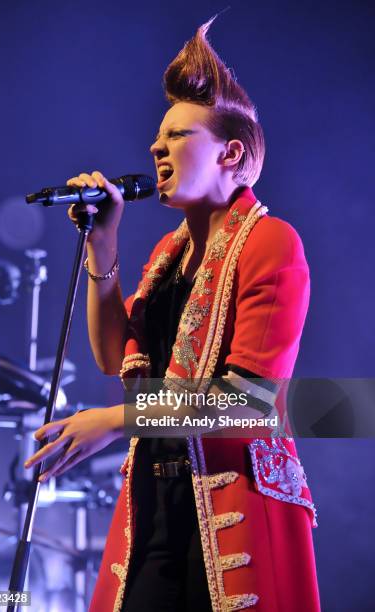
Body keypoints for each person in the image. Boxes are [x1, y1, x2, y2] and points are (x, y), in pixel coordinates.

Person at [24, 17, 321, 612]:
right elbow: (114, 356)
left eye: (179, 136)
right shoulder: (168, 255)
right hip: (156, 505)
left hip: (235, 507)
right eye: (158, 138)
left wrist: (113, 420)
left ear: (231, 153)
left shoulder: (272, 244)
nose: (156, 148)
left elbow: (248, 401)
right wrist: (101, 246)